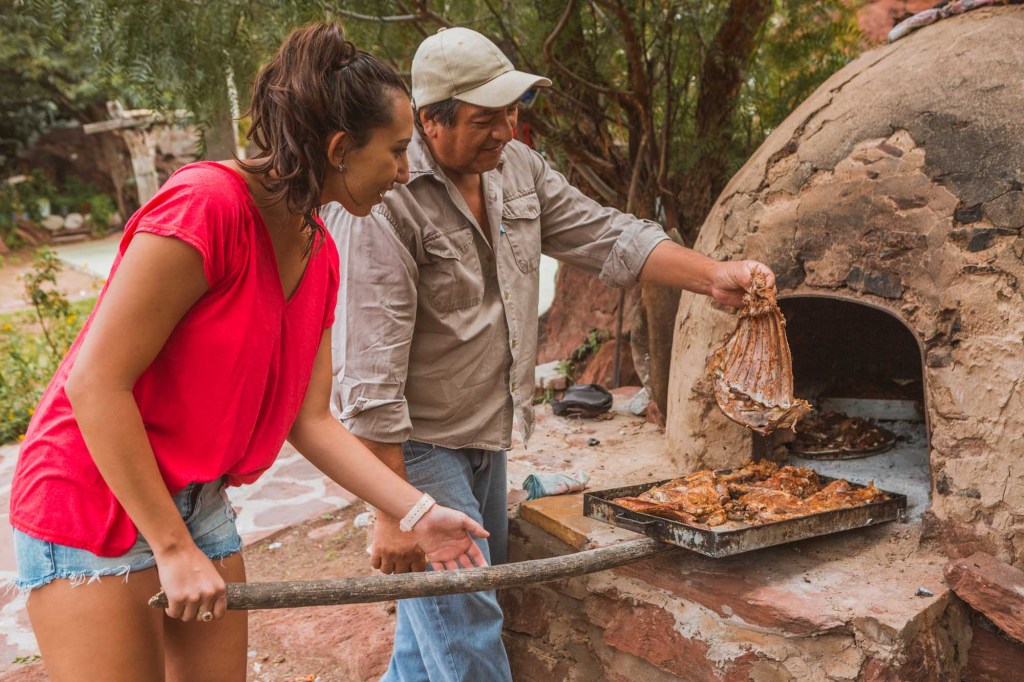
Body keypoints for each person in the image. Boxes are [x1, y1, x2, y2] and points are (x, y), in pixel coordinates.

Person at [8, 23, 489, 682]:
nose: (405, 173)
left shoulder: (319, 250)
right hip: (93, 496)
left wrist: (417, 510)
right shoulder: (208, 206)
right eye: (398, 151)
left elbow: (311, 420)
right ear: (342, 147)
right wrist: (172, 548)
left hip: (196, 500)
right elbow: (95, 383)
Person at [324, 26, 777, 682]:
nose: (506, 130)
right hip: (418, 449)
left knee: (435, 638)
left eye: (512, 112)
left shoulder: (514, 169)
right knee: (469, 629)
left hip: (487, 434)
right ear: (431, 121)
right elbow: (369, 370)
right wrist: (396, 506)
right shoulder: (383, 199)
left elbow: (606, 235)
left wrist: (713, 276)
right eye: (486, 119)